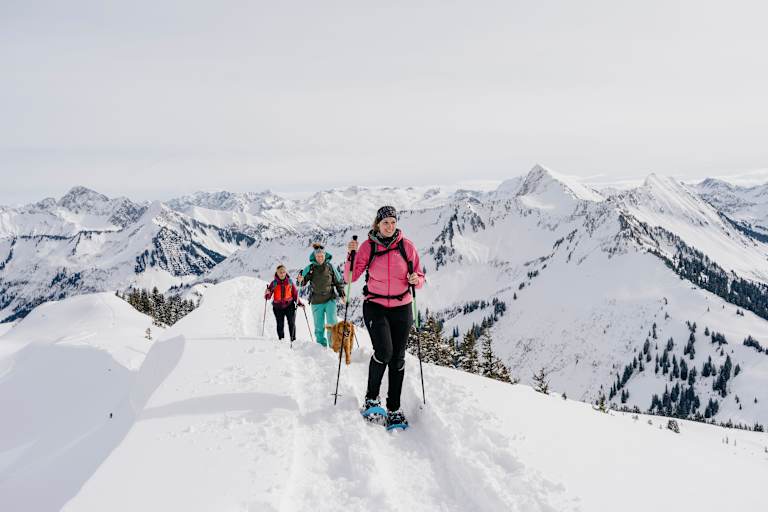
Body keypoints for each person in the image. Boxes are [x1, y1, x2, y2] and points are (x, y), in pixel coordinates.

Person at [344, 206, 424, 428]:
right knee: (384, 352)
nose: (389, 226)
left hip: (402, 307)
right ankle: (371, 398)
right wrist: (350, 255)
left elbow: (420, 276)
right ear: (377, 224)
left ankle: (394, 407)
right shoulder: (368, 247)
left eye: (392, 221)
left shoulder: (406, 247)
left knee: (398, 358)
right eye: (385, 222)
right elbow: (351, 277)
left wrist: (416, 280)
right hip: (375, 306)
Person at [297, 243, 346, 347]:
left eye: (322, 256)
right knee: (319, 326)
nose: (320, 258)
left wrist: (342, 294)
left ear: (325, 255)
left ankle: (333, 346)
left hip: (330, 299)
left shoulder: (330, 266)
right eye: (318, 256)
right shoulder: (310, 268)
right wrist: (300, 279)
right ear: (315, 256)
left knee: (332, 323)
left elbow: (338, 281)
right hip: (316, 301)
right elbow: (301, 282)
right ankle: (321, 348)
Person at [264, 264, 302, 342]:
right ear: (277, 273)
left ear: (286, 272)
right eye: (280, 272)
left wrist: (299, 303)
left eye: (283, 272)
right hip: (277, 307)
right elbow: (268, 297)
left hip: (289, 305)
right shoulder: (274, 283)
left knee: (291, 323)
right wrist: (267, 293)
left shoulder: (290, 282)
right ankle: (281, 340)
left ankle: (293, 340)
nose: (282, 274)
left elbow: (295, 294)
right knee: (280, 324)